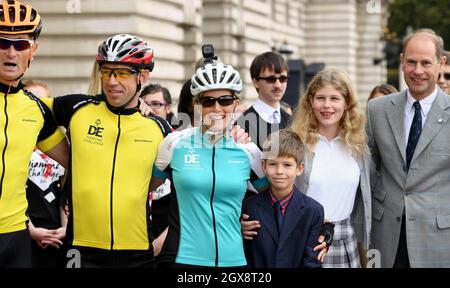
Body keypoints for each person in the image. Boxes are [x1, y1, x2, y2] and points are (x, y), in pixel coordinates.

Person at [49, 34, 172, 268]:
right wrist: (67, 156)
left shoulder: (159, 128)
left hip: (137, 251)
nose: (112, 81)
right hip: (80, 250)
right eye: (106, 72)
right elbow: (32, 110)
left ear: (143, 76)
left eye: (123, 73)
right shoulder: (78, 108)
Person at [150, 53, 269, 267]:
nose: (216, 108)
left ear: (236, 104)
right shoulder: (174, 144)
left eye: (225, 100)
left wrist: (246, 218)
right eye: (208, 101)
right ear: (196, 104)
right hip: (180, 259)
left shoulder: (249, 151)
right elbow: (142, 191)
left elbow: (273, 199)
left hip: (233, 261)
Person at [366, 28, 449, 267]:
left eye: (426, 63)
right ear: (402, 61)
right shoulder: (377, 110)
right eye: (411, 62)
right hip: (385, 239)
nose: (418, 71)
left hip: (438, 240)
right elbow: (366, 170)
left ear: (441, 62)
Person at [0, 0, 69, 268]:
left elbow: (73, 161)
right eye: (3, 42)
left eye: (21, 44)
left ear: (33, 50)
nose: (11, 52)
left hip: (16, 236)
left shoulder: (36, 109)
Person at [291, 68, 371, 268]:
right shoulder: (295, 143)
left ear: (346, 103)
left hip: (346, 240)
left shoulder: (359, 147)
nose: (327, 105)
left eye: (335, 98)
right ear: (311, 101)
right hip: (304, 238)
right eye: (321, 98)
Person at [243, 129, 324, 268]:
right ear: (263, 166)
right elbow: (247, 257)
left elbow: (311, 262)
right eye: (273, 164)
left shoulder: (313, 211)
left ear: (299, 168)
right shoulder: (249, 207)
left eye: (287, 165)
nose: (279, 171)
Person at [23, 80, 68, 268]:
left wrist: (65, 227)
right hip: (24, 231)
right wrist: (31, 230)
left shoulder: (59, 145)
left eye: (43, 101)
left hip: (58, 233)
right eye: (32, 100)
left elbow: (66, 187)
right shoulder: (15, 145)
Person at [237, 51, 292, 150]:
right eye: (271, 79)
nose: (278, 85)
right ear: (255, 82)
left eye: (283, 78)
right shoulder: (243, 124)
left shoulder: (293, 120)